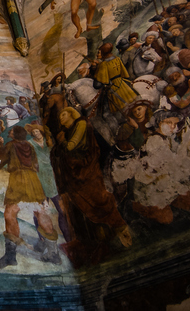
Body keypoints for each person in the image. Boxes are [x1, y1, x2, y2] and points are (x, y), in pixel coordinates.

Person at [51, 107, 131, 264]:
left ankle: (120, 229)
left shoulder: (81, 124)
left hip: (86, 172)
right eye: (60, 115)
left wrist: (62, 143)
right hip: (75, 176)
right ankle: (102, 241)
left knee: (98, 199)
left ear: (72, 114)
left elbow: (70, 147)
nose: (61, 117)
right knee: (83, 206)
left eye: (63, 114)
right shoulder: (68, 131)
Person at [0, 126, 60, 268]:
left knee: (10, 214)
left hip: (18, 181)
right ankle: (53, 254)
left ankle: (10, 257)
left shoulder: (10, 145)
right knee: (41, 213)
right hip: (34, 181)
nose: (9, 132)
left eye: (11, 132)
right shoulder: (29, 145)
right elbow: (36, 165)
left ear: (15, 135)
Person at [94, 42, 137, 114]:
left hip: (113, 88)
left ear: (103, 53)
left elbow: (97, 85)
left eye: (99, 53)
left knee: (104, 111)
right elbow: (124, 73)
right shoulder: (117, 59)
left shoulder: (103, 64)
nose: (97, 55)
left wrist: (95, 70)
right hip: (123, 85)